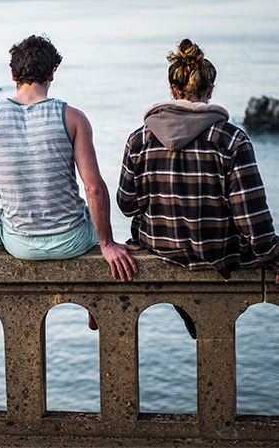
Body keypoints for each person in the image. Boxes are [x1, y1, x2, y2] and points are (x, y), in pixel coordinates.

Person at [0, 35, 139, 331]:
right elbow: (94, 189)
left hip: (18, 245)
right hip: (72, 240)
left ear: (13, 75)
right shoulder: (72, 117)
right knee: (88, 219)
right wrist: (107, 243)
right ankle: (93, 306)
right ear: (52, 74)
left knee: (7, 217)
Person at [117, 38, 279, 337]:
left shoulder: (139, 139)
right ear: (210, 90)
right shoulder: (231, 139)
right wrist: (272, 256)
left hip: (161, 246)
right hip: (219, 250)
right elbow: (251, 217)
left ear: (173, 90)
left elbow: (127, 205)